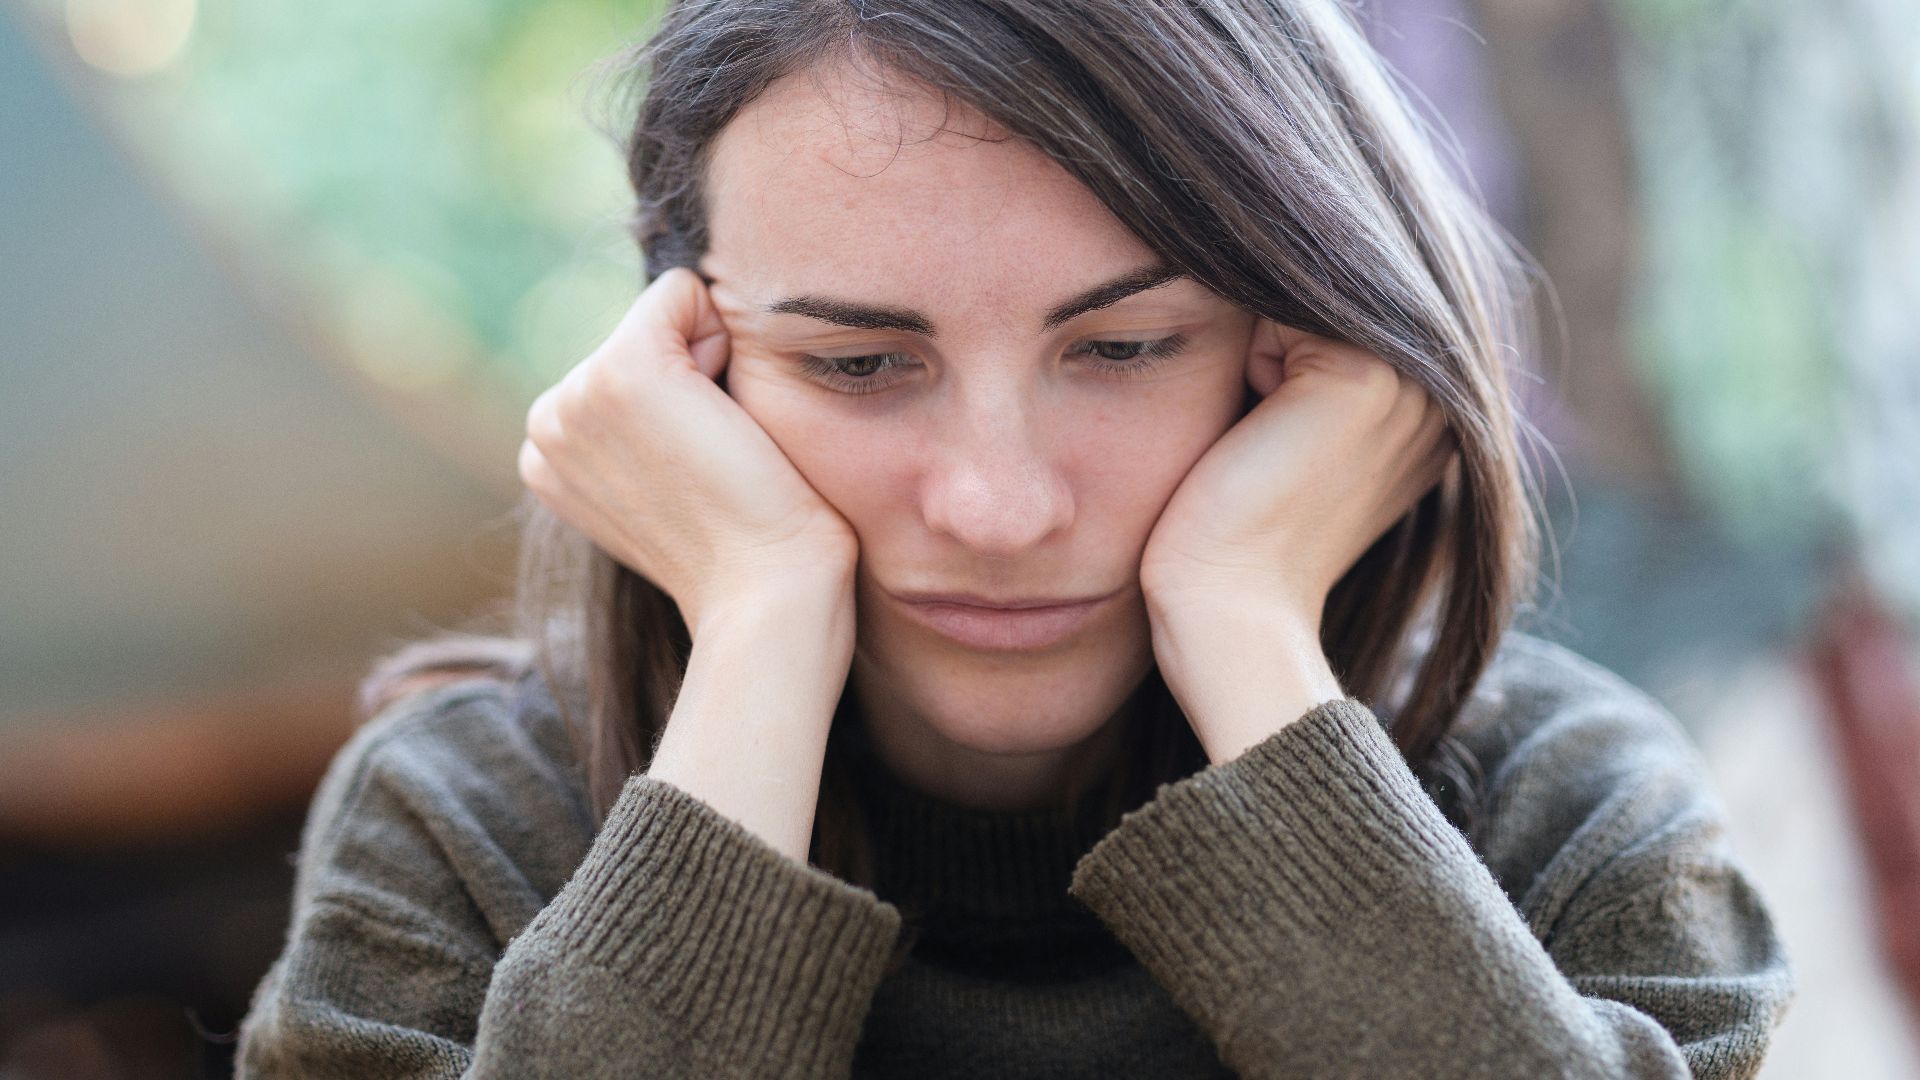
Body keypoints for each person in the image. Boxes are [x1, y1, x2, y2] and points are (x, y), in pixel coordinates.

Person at [234, 1, 1796, 1076]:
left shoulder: (1564, 818)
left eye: (1124, 350)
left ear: (1311, 349)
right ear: (681, 367)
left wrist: (1241, 619)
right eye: (856, 364)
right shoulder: (466, 832)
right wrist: (766, 626)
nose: (999, 506)